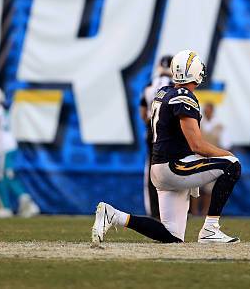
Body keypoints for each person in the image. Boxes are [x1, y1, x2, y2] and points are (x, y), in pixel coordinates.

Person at [92, 50, 241, 245]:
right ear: (194, 72)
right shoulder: (183, 96)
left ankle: (113, 215)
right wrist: (228, 155)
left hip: (160, 168)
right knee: (232, 165)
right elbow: (197, 145)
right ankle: (210, 229)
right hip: (175, 167)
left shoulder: (164, 93)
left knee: (172, 236)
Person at [0, 84, 40, 218]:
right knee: (7, 176)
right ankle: (26, 202)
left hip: (2, 146)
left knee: (0, 176)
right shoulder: (1, 108)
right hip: (7, 145)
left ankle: (6, 207)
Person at [139, 55, 173, 219]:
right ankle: (174, 210)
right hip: (169, 133)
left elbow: (143, 113)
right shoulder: (175, 86)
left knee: (152, 171)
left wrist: (150, 123)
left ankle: (154, 210)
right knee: (173, 168)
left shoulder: (149, 86)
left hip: (152, 131)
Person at [191, 103, 231, 216]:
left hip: (213, 158)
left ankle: (205, 212)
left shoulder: (219, 126)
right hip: (198, 158)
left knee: (209, 189)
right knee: (195, 187)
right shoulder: (199, 124)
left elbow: (226, 144)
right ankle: (194, 212)